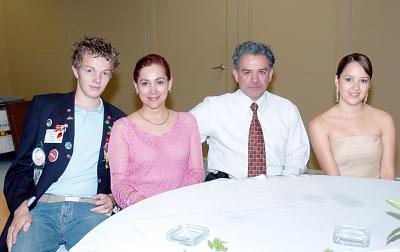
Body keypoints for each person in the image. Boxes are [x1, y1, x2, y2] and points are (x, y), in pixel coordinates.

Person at [0, 36, 126, 252]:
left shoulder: (118, 121)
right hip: (42, 208)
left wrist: (114, 198)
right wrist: (20, 208)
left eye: (104, 73)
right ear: (75, 71)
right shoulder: (45, 107)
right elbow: (20, 168)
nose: (97, 79)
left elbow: (126, 174)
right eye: (89, 70)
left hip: (90, 211)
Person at [190, 41, 309, 180]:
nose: (254, 80)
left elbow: (297, 157)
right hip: (224, 189)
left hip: (275, 188)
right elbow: (178, 139)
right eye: (247, 72)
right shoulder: (213, 107)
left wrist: (284, 188)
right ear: (235, 75)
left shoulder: (287, 110)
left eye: (262, 72)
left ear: (270, 75)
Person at [108, 54, 204, 209]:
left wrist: (176, 201)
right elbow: (118, 183)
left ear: (169, 83)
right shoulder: (123, 128)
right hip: (140, 211)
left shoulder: (188, 122)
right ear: (136, 86)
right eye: (145, 83)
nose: (153, 90)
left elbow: (197, 172)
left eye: (159, 82)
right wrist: (146, 205)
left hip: (183, 206)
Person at [309, 53, 396, 179]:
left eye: (363, 81)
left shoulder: (384, 120)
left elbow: (388, 174)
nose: (356, 87)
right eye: (349, 79)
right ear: (337, 81)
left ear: (369, 85)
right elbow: (334, 179)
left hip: (378, 196)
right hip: (338, 196)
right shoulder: (319, 125)